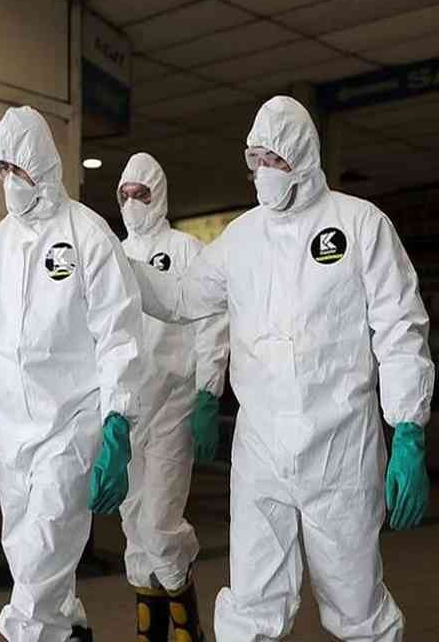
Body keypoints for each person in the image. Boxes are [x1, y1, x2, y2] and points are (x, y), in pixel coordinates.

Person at [128, 95, 433, 642]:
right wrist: (114, 262)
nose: (263, 170)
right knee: (251, 607)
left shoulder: (360, 224)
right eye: (256, 159)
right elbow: (179, 297)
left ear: (303, 157)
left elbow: (400, 328)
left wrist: (408, 428)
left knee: (356, 608)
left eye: (275, 158)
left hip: (340, 450)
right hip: (260, 453)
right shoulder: (241, 238)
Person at [0, 105, 145, 642]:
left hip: (71, 428)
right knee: (30, 562)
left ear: (43, 167)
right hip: (12, 436)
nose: (10, 181)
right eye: (2, 169)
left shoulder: (88, 235)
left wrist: (118, 422)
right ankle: (71, 632)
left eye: (18, 169)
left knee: (36, 582)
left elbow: (118, 336)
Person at [115, 152, 229, 642]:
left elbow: (212, 319)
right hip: (128, 410)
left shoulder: (185, 250)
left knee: (159, 523)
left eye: (141, 193)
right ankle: (153, 630)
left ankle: (188, 624)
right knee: (133, 524)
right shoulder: (115, 253)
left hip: (173, 406)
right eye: (125, 194)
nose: (132, 203)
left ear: (158, 195)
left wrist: (208, 391)